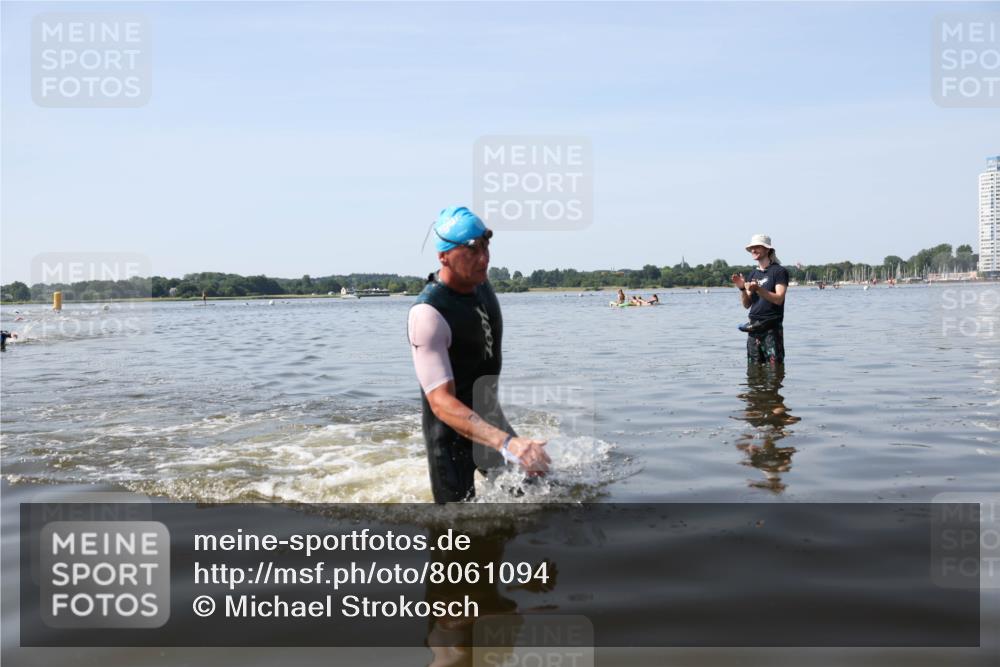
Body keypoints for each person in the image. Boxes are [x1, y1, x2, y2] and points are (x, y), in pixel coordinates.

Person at [408, 206, 550, 503]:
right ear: (443, 256)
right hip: (449, 442)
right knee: (458, 526)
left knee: (548, 498)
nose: (484, 258)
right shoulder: (427, 314)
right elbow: (440, 402)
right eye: (472, 250)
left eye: (486, 246)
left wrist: (504, 441)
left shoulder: (482, 284)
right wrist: (507, 443)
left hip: (491, 421)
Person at [730, 234, 788, 365]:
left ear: (767, 249)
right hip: (753, 329)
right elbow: (747, 304)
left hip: (771, 329)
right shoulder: (753, 273)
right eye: (752, 248)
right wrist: (742, 289)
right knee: (753, 370)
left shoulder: (779, 271)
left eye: (757, 247)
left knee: (775, 370)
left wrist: (758, 289)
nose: (753, 250)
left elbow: (779, 299)